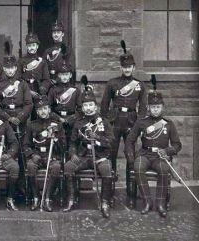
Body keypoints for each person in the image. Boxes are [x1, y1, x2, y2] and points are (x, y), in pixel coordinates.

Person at [124, 78, 182, 217]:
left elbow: (177, 145)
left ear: (162, 107)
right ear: (149, 108)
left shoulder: (168, 124)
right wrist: (131, 157)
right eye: (153, 107)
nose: (155, 110)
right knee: (137, 167)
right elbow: (129, 140)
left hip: (160, 156)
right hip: (144, 154)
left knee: (163, 169)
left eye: (158, 107)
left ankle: (161, 204)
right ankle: (147, 202)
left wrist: (167, 151)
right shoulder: (141, 122)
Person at [63, 76, 114, 218]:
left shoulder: (103, 121)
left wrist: (97, 138)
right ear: (82, 108)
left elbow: (110, 141)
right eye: (85, 105)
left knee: (106, 169)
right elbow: (73, 142)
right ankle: (71, 200)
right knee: (68, 167)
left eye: (90, 105)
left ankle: (105, 203)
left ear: (95, 106)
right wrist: (73, 154)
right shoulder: (79, 123)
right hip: (84, 156)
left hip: (99, 157)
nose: (88, 108)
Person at [100, 40, 147, 195]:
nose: (127, 69)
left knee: (130, 155)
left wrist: (138, 126)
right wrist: (105, 124)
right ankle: (110, 190)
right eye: (124, 67)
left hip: (131, 122)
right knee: (111, 154)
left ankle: (131, 190)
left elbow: (143, 108)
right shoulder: (112, 83)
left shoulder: (139, 85)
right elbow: (104, 106)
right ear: (120, 67)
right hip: (115, 121)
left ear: (133, 67)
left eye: (129, 67)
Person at [23, 96, 66, 212]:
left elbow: (63, 147)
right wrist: (32, 155)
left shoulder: (57, 125)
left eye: (45, 108)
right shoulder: (31, 125)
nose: (43, 111)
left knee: (56, 167)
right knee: (31, 166)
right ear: (37, 111)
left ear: (49, 110)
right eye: (40, 109)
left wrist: (56, 139)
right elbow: (26, 145)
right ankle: (36, 197)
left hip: (51, 155)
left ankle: (47, 198)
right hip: (36, 155)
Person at [48, 49, 81, 158]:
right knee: (58, 147)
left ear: (70, 75)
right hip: (57, 121)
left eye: (67, 74)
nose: (64, 77)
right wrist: (59, 119)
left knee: (71, 146)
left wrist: (71, 119)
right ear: (59, 76)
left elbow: (80, 109)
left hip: (71, 121)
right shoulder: (53, 90)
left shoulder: (75, 90)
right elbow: (49, 108)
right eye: (62, 75)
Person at [19, 29, 51, 98]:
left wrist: (42, 89)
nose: (31, 48)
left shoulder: (42, 62)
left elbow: (47, 80)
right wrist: (27, 91)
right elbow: (18, 79)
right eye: (29, 46)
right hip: (25, 92)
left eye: (33, 45)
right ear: (27, 47)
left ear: (37, 46)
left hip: (38, 90)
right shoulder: (21, 61)